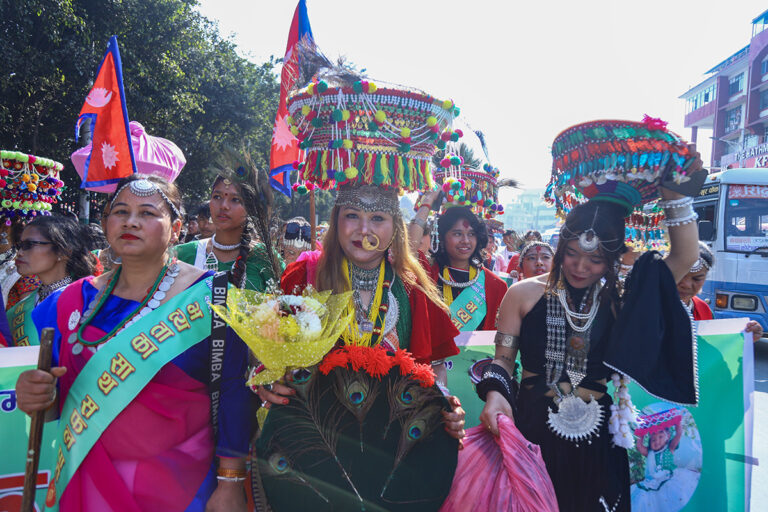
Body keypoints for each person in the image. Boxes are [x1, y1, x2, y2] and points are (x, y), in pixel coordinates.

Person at [14, 175, 252, 511]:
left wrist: (230, 482)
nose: (131, 222)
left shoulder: (213, 297)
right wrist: (36, 395)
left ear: (176, 228)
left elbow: (234, 390)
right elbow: (58, 398)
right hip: (87, 483)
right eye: (121, 212)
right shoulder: (70, 302)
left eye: (147, 213)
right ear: (106, 224)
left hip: (180, 488)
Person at [478, 182, 703, 511]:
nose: (580, 266)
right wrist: (495, 394)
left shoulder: (622, 299)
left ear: (612, 258)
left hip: (599, 440)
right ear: (561, 245)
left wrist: (674, 191)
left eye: (595, 259)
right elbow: (502, 360)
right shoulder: (522, 294)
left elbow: (686, 257)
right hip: (532, 431)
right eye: (572, 253)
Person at [410, 201, 507, 332]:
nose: (465, 241)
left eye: (471, 234)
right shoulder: (427, 275)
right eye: (457, 234)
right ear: (442, 237)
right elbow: (408, 250)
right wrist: (427, 202)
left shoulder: (495, 285)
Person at [176, 176, 282, 291]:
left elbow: (287, 299)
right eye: (217, 197)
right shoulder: (183, 254)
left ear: (250, 208)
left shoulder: (265, 257)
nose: (223, 206)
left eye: (235, 199)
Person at [7, 216, 99, 346]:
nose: (20, 252)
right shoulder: (19, 310)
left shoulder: (87, 298)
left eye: (29, 245)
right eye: (19, 245)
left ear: (63, 251)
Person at [677, 242, 763, 340]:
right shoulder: (660, 307)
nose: (687, 285)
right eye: (680, 276)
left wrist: (745, 339)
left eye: (697, 279)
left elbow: (712, 345)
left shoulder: (703, 310)